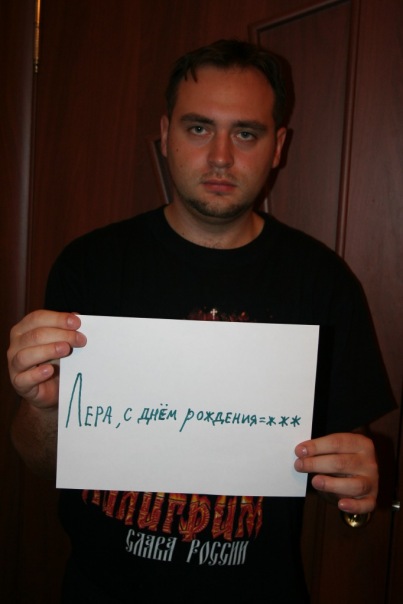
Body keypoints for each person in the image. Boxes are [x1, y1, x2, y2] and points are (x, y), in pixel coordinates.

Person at [7, 39, 395, 603]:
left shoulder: (322, 282)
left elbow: (343, 470)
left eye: (246, 133)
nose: (220, 157)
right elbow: (45, 463)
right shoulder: (90, 265)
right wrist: (43, 407)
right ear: (165, 134)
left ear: (278, 146)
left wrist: (356, 490)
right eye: (198, 128)